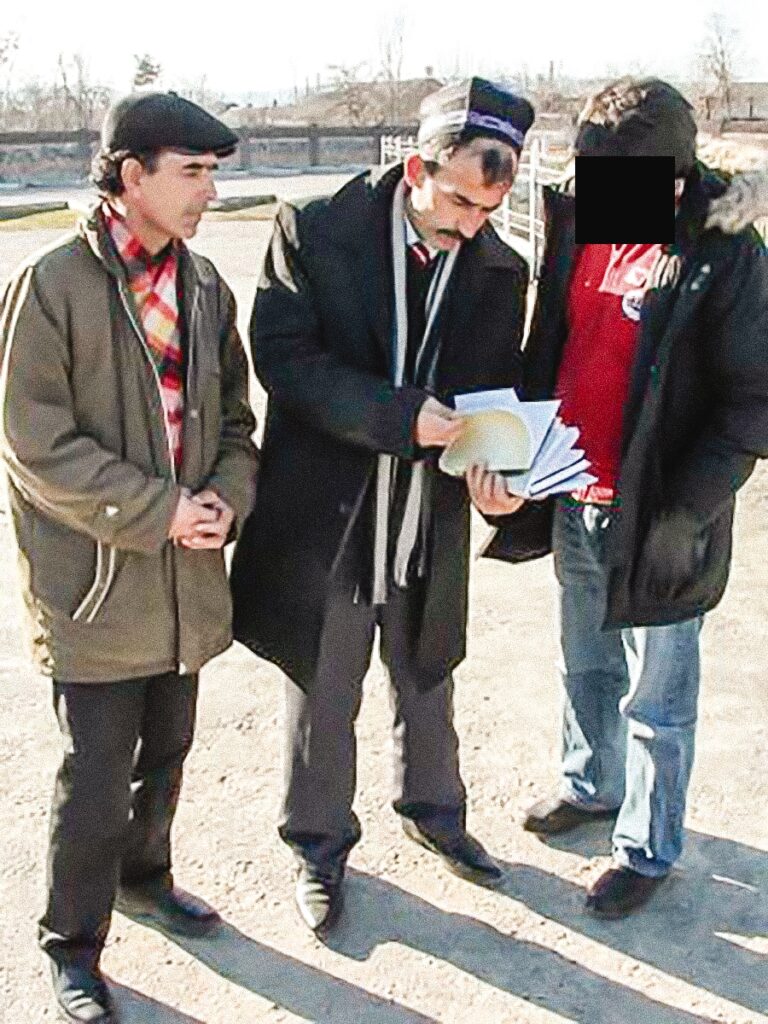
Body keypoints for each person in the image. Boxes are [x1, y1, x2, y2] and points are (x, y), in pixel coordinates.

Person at [230, 77, 533, 935]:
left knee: (428, 670)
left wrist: (496, 471)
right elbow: (285, 357)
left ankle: (437, 816)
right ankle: (318, 845)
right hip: (329, 509)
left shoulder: (498, 263)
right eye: (461, 202)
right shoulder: (316, 229)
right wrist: (403, 418)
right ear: (416, 167)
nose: (472, 224)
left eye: (490, 207)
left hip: (426, 511)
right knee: (324, 687)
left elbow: (491, 389)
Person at [0, 91, 258, 1022]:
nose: (209, 193)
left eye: (214, 174)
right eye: (192, 173)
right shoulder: (54, 283)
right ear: (131, 174)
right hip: (97, 587)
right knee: (97, 773)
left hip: (187, 577)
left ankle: (147, 879)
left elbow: (234, 420)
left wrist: (228, 497)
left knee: (169, 749)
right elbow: (34, 444)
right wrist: (159, 510)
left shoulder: (203, 285)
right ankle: (71, 942)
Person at [498, 77, 768, 918]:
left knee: (659, 694)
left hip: (662, 511)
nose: (604, 201)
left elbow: (753, 397)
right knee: (585, 661)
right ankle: (592, 784)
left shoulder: (724, 253)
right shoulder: (581, 220)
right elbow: (557, 341)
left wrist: (687, 513)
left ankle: (647, 847)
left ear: (677, 182)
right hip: (575, 486)